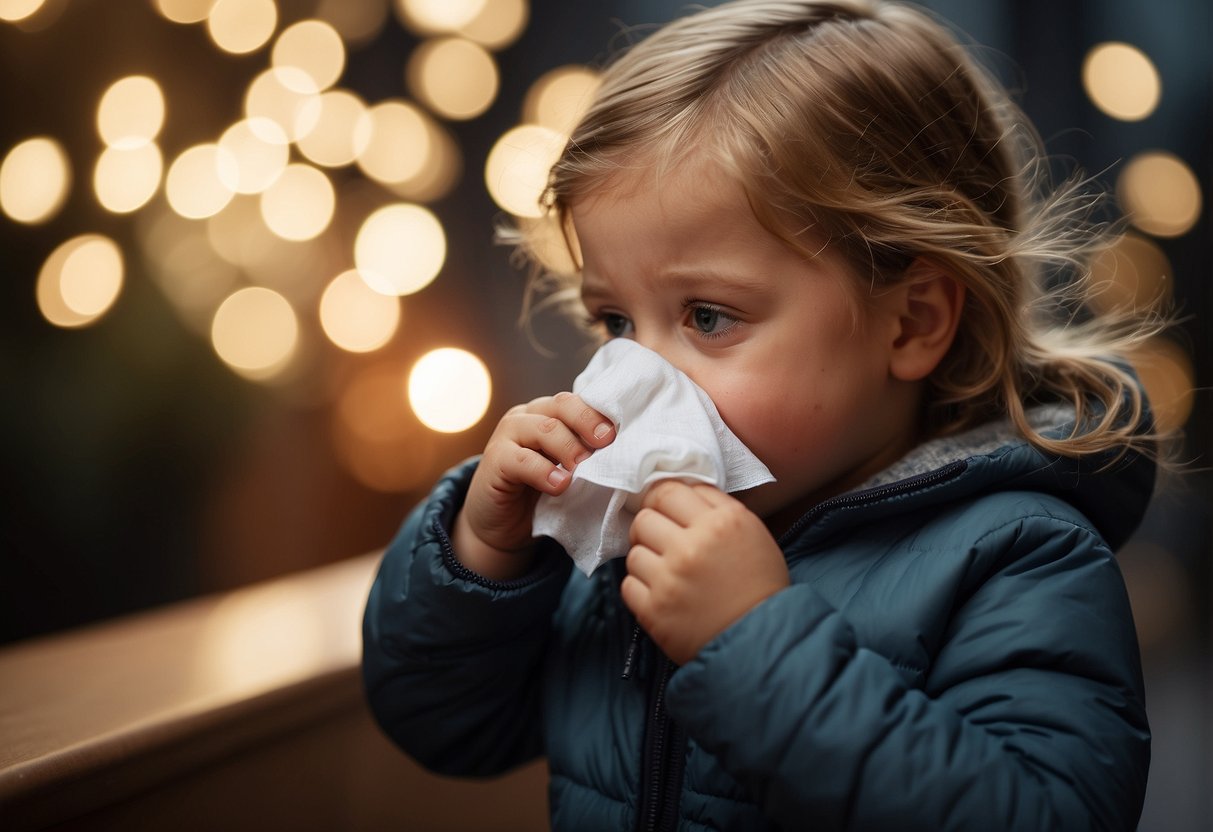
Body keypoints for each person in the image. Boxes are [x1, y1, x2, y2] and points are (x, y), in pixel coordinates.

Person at [362, 1, 1168, 828]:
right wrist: (483, 555)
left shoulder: (1017, 555)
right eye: (615, 323)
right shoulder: (621, 542)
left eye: (708, 317)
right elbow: (448, 726)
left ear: (912, 321)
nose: (633, 380)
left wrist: (752, 643)